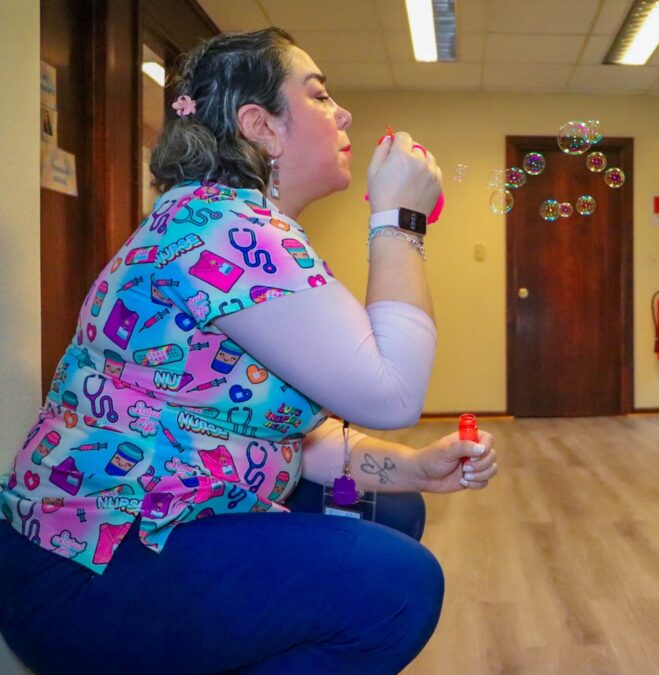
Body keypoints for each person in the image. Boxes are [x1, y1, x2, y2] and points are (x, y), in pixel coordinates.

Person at [0, 28, 498, 674]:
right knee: (399, 587)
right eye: (319, 96)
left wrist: (416, 467)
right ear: (260, 125)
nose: (343, 113)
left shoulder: (219, 219)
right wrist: (399, 220)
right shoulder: (225, 230)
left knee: (393, 505)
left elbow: (279, 433)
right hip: (82, 569)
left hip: (111, 540)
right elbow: (393, 393)